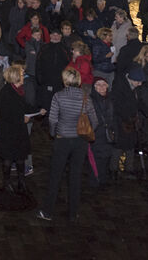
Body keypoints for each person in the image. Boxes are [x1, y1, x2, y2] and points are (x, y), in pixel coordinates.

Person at [36, 67, 98, 222]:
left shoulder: (58, 96)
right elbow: (95, 121)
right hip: (80, 141)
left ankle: (48, 211)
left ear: (64, 81)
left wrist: (53, 133)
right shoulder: (85, 97)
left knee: (56, 175)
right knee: (75, 176)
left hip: (62, 139)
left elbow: (52, 119)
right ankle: (73, 213)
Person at [0, 64, 46, 193]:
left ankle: (21, 180)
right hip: (8, 130)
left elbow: (25, 106)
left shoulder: (19, 90)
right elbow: (6, 114)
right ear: (16, 77)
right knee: (8, 158)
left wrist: (37, 110)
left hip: (19, 130)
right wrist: (22, 118)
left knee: (20, 157)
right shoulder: (5, 92)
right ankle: (6, 182)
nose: (24, 76)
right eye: (22, 74)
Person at [89, 77, 115, 188]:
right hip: (97, 133)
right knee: (96, 158)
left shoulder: (111, 99)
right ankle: (95, 180)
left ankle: (103, 179)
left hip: (107, 132)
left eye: (104, 84)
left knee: (106, 157)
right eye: (98, 85)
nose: (101, 87)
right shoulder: (91, 100)